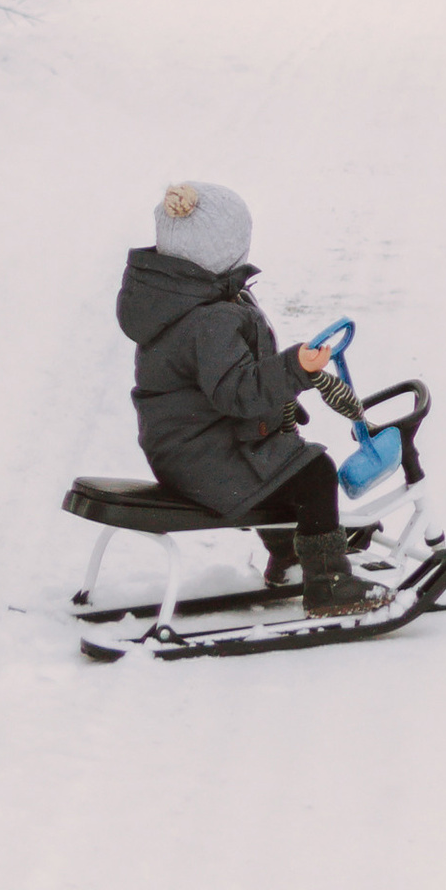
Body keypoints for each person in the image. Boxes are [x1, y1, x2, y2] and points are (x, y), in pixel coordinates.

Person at [114, 179, 386, 616]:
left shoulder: (180, 303)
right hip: (206, 457)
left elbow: (219, 386)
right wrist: (295, 370)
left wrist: (276, 401)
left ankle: (289, 559)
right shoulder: (211, 318)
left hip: (185, 449)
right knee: (314, 472)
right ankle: (329, 583)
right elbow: (238, 391)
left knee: (282, 465)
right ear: (222, 253)